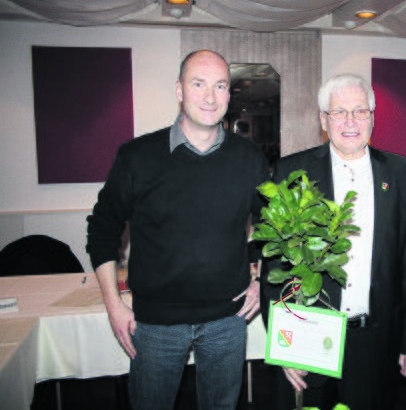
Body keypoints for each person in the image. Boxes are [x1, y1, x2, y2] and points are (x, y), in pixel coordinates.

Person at [86, 50, 269, 410]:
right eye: (198, 84)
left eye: (220, 86)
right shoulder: (137, 156)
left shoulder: (250, 159)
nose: (210, 96)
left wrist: (263, 280)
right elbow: (101, 230)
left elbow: (273, 229)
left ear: (229, 96)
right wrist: (113, 305)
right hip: (155, 324)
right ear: (179, 90)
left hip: (227, 321)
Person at [260, 74, 406, 410]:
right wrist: (285, 343)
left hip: (376, 341)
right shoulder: (291, 173)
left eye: (360, 111)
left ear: (373, 117)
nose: (350, 122)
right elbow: (275, 269)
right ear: (323, 119)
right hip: (309, 333)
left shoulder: (405, 175)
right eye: (339, 112)